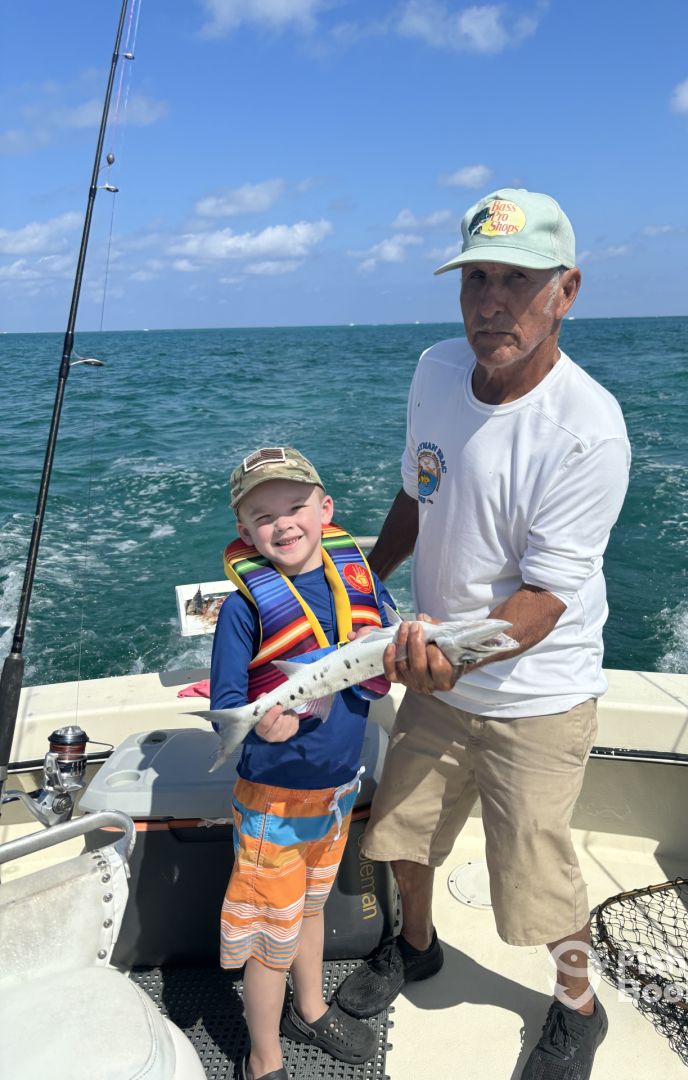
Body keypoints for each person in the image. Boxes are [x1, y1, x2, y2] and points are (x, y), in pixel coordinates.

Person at [334, 189, 631, 1079]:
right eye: (476, 279)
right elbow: (415, 493)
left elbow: (542, 602)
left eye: (518, 281)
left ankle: (577, 1007)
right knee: (403, 834)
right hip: (438, 673)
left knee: (538, 880)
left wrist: (449, 660)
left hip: (536, 694)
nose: (491, 303)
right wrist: (355, 588)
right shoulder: (434, 370)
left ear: (566, 291)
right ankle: (416, 947)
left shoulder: (588, 431)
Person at [210, 446, 397, 1080]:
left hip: (338, 791)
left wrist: (406, 642)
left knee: (311, 909)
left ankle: (309, 1008)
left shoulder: (362, 582)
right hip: (274, 806)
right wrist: (263, 723)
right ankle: (263, 1057)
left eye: (295, 507)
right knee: (272, 937)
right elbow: (228, 705)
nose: (283, 524)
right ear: (244, 532)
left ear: (325, 510)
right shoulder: (242, 610)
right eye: (264, 517)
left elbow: (389, 651)